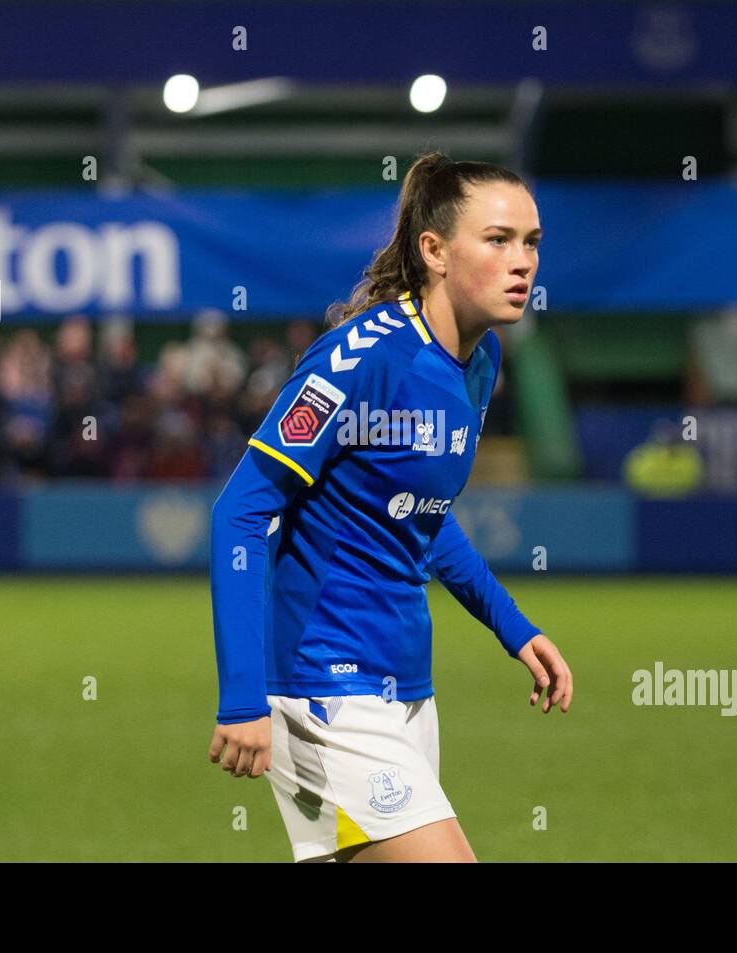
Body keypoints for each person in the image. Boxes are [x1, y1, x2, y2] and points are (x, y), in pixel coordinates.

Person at [207, 151, 573, 862]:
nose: (521, 261)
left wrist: (513, 626)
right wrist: (242, 697)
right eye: (497, 240)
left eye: (531, 242)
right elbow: (241, 512)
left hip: (407, 688)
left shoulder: (481, 361)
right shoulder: (362, 359)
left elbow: (416, 515)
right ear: (434, 250)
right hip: (325, 689)